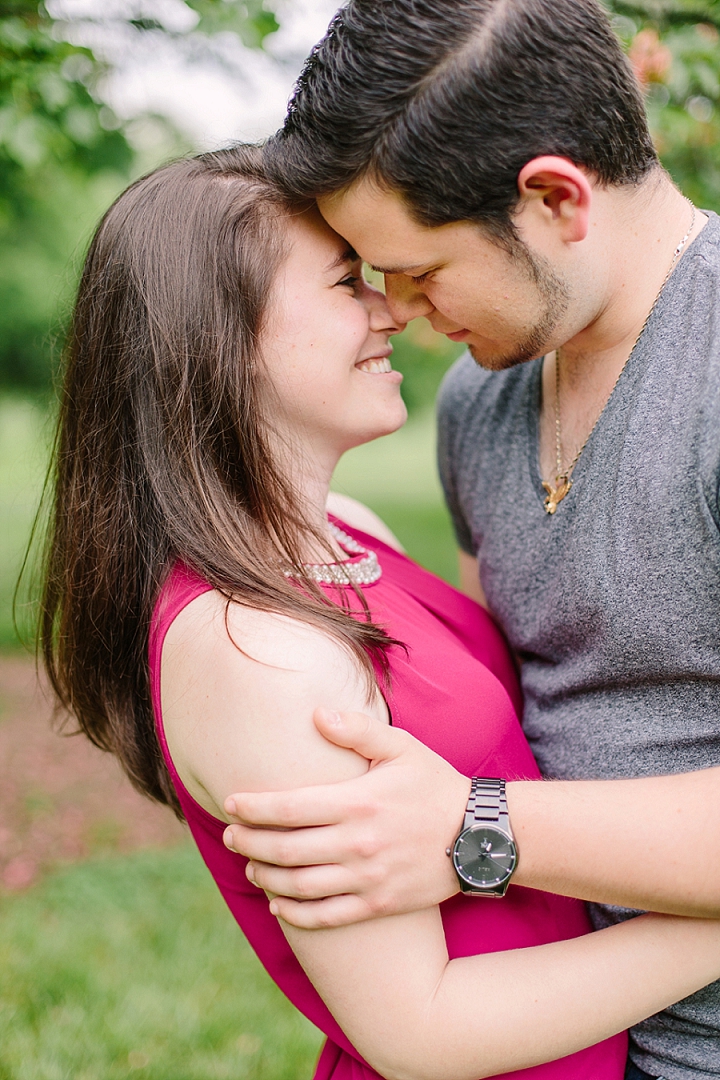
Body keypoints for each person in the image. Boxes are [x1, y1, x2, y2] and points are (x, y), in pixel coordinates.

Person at [38, 146, 720, 1080]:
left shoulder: (341, 532)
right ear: (221, 339)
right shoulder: (255, 650)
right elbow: (419, 1028)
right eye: (346, 283)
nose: (391, 309)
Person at [217, 3, 720, 1080]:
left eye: (418, 270)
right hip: (560, 1038)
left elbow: (479, 802)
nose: (396, 310)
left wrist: (475, 826)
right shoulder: (478, 408)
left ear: (552, 199)